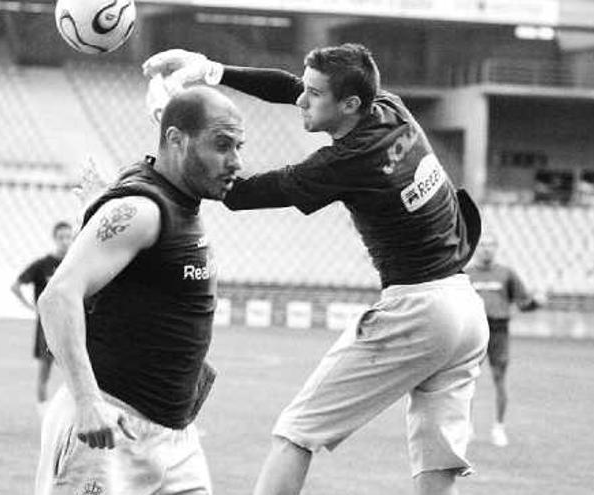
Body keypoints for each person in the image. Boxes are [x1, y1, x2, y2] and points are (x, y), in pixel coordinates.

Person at [143, 44, 487, 495]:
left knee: (296, 432)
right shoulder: (390, 106)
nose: (301, 100)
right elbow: (288, 86)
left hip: (420, 309)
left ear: (349, 105)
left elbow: (238, 192)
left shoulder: (346, 162)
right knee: (437, 464)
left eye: (314, 94)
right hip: (466, 311)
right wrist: (212, 71)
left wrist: (182, 145)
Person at [33, 86, 244, 495]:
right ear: (176, 140)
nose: (235, 161)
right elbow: (57, 298)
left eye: (238, 145)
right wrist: (87, 401)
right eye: (222, 145)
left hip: (176, 439)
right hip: (109, 430)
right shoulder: (144, 211)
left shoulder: (172, 199)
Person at [465, 232, 541, 447]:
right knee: (467, 380)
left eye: (490, 245)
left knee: (499, 379)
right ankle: (467, 427)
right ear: (476, 248)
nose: (486, 249)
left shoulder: (506, 274)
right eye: (482, 245)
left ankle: (498, 427)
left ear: (496, 248)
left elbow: (523, 303)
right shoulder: (466, 274)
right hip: (474, 332)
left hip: (499, 331)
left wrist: (537, 303)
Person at [11, 220, 74, 419]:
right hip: (47, 326)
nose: (65, 241)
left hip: (71, 324)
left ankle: (73, 411)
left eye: (68, 237)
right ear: (55, 239)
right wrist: (32, 307)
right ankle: (43, 413)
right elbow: (16, 285)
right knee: (44, 371)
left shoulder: (75, 262)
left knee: (74, 369)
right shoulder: (42, 265)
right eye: (61, 237)